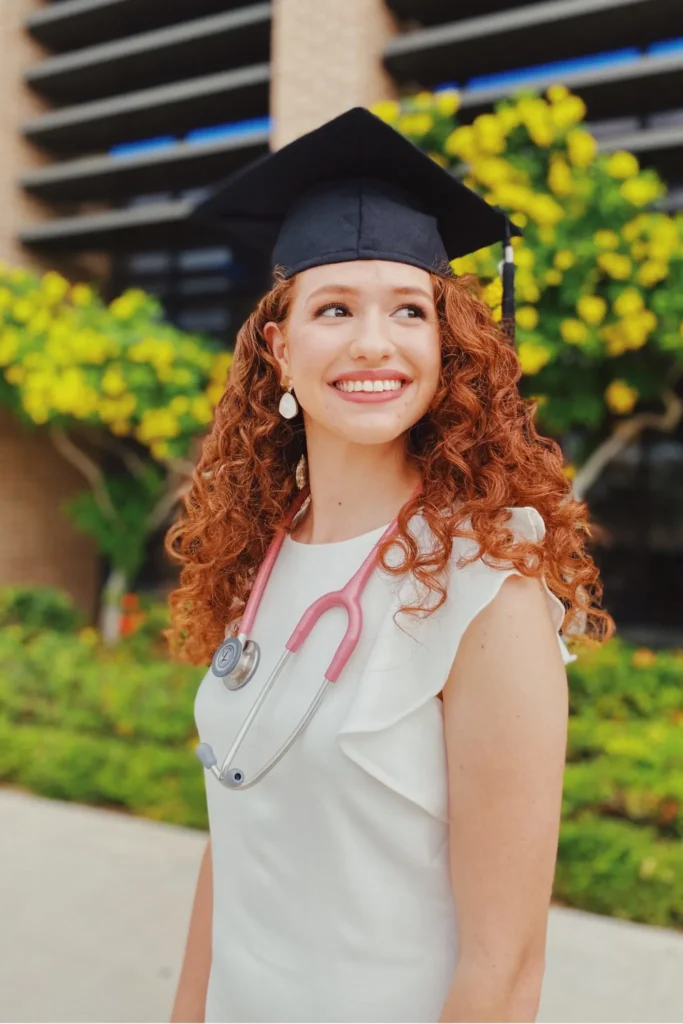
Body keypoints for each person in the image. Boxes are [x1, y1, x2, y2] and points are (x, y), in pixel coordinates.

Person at [165, 107, 614, 1024]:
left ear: (444, 349)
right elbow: (240, 820)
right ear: (280, 349)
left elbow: (506, 963)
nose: (375, 342)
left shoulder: (485, 583)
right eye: (334, 309)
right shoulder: (266, 552)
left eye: (408, 311)